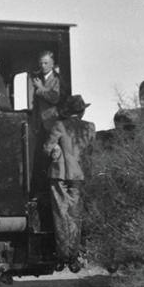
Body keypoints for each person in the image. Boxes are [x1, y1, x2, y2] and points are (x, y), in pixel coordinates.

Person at [43, 94, 96, 272]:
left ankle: (62, 255)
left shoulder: (59, 125)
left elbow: (47, 148)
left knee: (61, 214)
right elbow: (91, 151)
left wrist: (56, 148)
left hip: (60, 174)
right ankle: (73, 256)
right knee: (75, 215)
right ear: (81, 111)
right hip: (80, 175)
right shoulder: (90, 127)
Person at [31, 51, 63, 133]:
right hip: (39, 125)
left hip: (52, 123)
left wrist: (41, 88)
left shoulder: (57, 79)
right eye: (41, 63)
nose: (43, 66)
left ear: (52, 64)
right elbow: (36, 104)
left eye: (46, 63)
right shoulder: (38, 79)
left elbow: (55, 98)